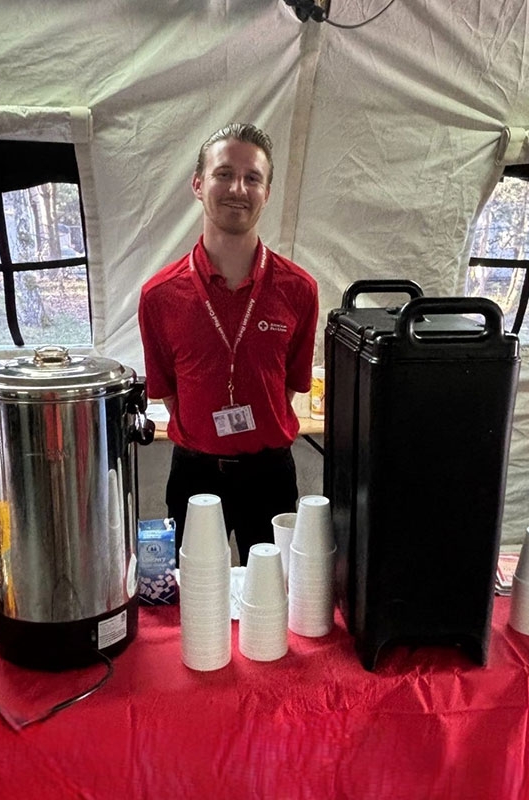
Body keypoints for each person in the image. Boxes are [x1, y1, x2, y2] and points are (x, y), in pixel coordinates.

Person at [138, 123, 319, 565]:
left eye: (252, 177)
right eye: (224, 174)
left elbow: (291, 387)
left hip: (271, 475)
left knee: (274, 602)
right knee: (197, 604)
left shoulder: (299, 290)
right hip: (195, 477)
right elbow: (167, 392)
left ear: (267, 192)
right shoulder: (159, 296)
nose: (238, 188)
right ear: (198, 184)